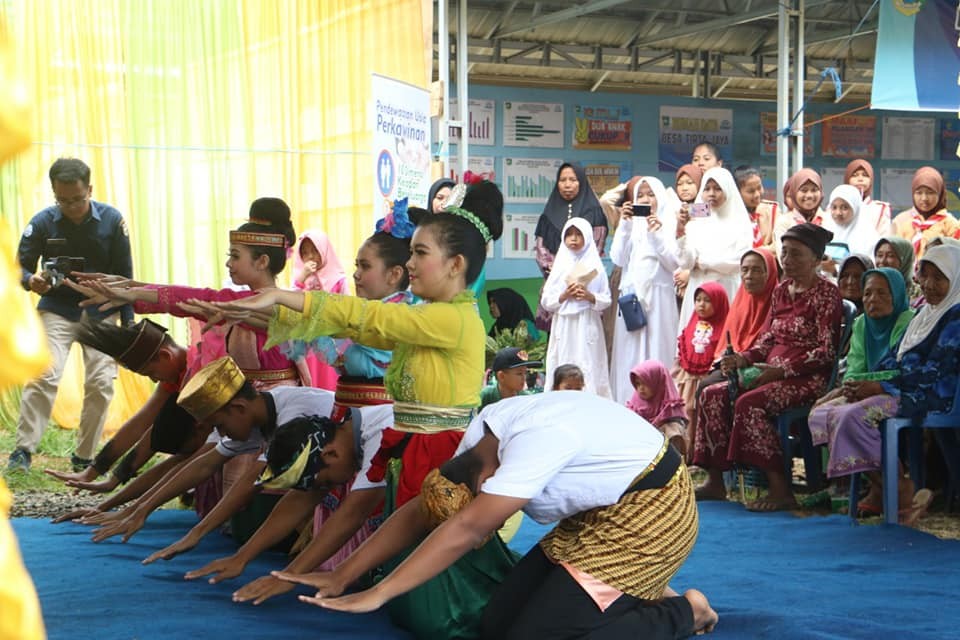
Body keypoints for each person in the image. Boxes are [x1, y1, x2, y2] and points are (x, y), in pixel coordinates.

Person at [208, 181, 511, 637]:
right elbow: (363, 324)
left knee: (441, 609)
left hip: (441, 458)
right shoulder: (426, 317)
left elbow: (368, 318)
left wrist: (282, 296)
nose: (410, 263)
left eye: (420, 253)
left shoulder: (450, 319)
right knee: (414, 600)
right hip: (411, 450)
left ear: (456, 265)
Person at [276, 393, 717, 639]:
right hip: (596, 513)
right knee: (495, 626)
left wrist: (380, 592)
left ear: (488, 481)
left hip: (652, 513)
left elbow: (467, 528)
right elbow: (421, 511)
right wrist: (343, 575)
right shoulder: (479, 440)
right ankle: (634, 591)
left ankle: (685, 612)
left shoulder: (529, 450)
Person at [87, 356, 335, 546]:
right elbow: (203, 465)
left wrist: (196, 534)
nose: (221, 433)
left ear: (238, 408)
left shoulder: (294, 412)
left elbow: (251, 480)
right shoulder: (258, 410)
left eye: (220, 426)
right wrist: (140, 511)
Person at [148, 405, 394, 590]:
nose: (330, 488)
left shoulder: (379, 434)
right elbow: (299, 500)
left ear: (330, 454)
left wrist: (290, 575)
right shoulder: (343, 432)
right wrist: (241, 557)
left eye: (327, 483)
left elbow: (353, 513)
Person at [694, 223, 842, 511]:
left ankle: (780, 488)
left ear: (815, 258)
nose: (787, 260)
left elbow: (826, 352)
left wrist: (781, 371)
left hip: (808, 378)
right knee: (712, 394)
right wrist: (743, 358)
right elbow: (767, 340)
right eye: (784, 253)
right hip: (770, 373)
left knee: (749, 403)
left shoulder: (827, 294)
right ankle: (716, 482)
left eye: (796, 254)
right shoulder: (781, 291)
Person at [9, 158, 134, 472]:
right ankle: (23, 451)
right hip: (57, 309)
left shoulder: (112, 220)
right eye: (63, 201)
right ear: (54, 194)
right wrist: (30, 281)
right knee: (44, 374)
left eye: (77, 199)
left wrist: (129, 321)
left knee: (102, 382)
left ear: (89, 189)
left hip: (101, 311)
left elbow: (125, 276)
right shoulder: (42, 223)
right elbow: (19, 268)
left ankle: (84, 456)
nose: (72, 207)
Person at [807, 267, 918, 519]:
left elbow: (903, 371)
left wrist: (867, 384)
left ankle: (896, 486)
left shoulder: (908, 322)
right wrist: (846, 388)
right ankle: (883, 486)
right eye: (867, 293)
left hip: (900, 391)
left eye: (882, 293)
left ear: (897, 294)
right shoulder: (861, 324)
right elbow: (855, 369)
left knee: (849, 417)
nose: (872, 299)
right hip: (866, 391)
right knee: (820, 414)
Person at [44, 319, 190, 492]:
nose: (154, 380)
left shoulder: (197, 369)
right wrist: (92, 472)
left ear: (166, 356)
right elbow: (139, 424)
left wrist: (114, 480)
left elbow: (157, 432)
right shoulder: (172, 378)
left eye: (151, 372)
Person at [608, 176, 681, 403]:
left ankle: (661, 404)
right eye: (640, 195)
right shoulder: (630, 226)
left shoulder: (668, 222)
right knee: (630, 351)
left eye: (651, 194)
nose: (646, 199)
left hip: (659, 297)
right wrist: (625, 225)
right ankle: (629, 402)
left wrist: (656, 233)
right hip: (632, 298)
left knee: (658, 346)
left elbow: (674, 262)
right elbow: (618, 258)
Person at [675, 166, 752, 334]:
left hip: (726, 289)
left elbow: (739, 261)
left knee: (725, 338)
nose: (711, 194)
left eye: (718, 188)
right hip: (698, 290)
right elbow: (687, 262)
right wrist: (681, 233)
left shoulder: (739, 222)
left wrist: (703, 263)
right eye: (707, 189)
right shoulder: (697, 221)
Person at [541, 217, 612, 398]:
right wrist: (564, 295)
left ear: (587, 237)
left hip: (587, 321)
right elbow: (546, 301)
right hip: (564, 323)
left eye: (578, 234)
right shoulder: (559, 266)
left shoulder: (595, 266)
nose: (573, 239)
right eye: (569, 234)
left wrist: (589, 296)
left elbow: (606, 299)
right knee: (563, 360)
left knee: (588, 363)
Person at [534, 163, 608, 330]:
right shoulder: (548, 213)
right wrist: (555, 269)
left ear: (581, 181)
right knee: (557, 333)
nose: (567, 185)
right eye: (563, 180)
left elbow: (596, 247)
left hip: (585, 287)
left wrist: (574, 276)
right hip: (557, 284)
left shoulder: (594, 212)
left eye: (573, 180)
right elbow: (541, 248)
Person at [674, 282, 729, 454]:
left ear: (719, 302)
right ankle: (686, 451)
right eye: (698, 300)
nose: (701, 305)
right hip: (689, 380)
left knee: (703, 415)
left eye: (707, 300)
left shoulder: (725, 327)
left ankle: (702, 452)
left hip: (708, 378)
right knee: (687, 412)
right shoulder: (692, 324)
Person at [891, 166, 959, 258]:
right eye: (919, 193)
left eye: (930, 192)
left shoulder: (950, 224)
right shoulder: (904, 223)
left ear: (940, 194)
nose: (924, 198)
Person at [628, 360, 688, 455]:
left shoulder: (671, 411)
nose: (641, 388)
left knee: (673, 432)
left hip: (663, 459)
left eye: (645, 383)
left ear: (658, 383)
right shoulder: (635, 406)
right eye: (638, 384)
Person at [821, 184, 880, 278]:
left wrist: (835, 270)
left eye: (844, 208)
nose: (838, 213)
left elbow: (868, 269)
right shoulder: (825, 230)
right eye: (834, 207)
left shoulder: (868, 236)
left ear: (855, 208)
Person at [672, 163, 704, 305]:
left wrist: (689, 273)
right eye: (680, 184)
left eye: (690, 183)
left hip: (699, 278)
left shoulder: (706, 211)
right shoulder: (672, 209)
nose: (684, 188)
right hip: (674, 282)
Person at [774, 169, 825, 251]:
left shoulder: (828, 220)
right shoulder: (784, 222)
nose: (809, 195)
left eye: (814, 190)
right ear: (794, 193)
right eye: (804, 190)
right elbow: (783, 254)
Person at [735, 166, 778, 255]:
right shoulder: (732, 215)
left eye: (759, 188)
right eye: (750, 191)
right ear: (737, 193)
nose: (757, 194)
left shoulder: (772, 211)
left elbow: (778, 245)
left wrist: (754, 253)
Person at [844, 159, 891, 235]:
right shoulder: (835, 207)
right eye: (855, 175)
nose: (860, 179)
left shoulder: (880, 209)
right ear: (847, 179)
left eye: (865, 175)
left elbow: (884, 236)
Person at [874, 236, 922, 305]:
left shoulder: (918, 295)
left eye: (890, 256)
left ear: (905, 260)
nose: (882, 261)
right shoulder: (870, 289)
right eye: (879, 255)